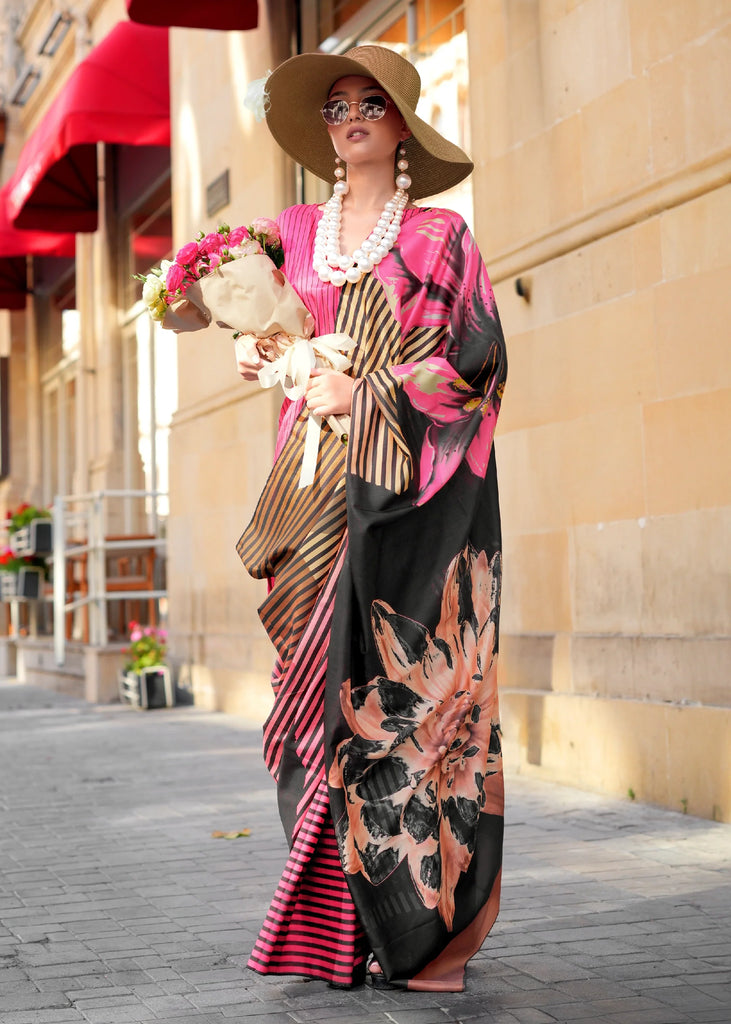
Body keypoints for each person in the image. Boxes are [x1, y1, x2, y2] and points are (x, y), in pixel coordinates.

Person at [235, 44, 507, 993]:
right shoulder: (290, 231)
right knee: (308, 705)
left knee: (402, 705)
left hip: (405, 503)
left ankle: (422, 937)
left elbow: (477, 364)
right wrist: (259, 353)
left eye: (369, 103)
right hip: (306, 495)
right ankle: (330, 934)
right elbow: (265, 324)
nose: (349, 117)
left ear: (401, 125)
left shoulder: (440, 236)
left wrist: (369, 392)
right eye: (336, 106)